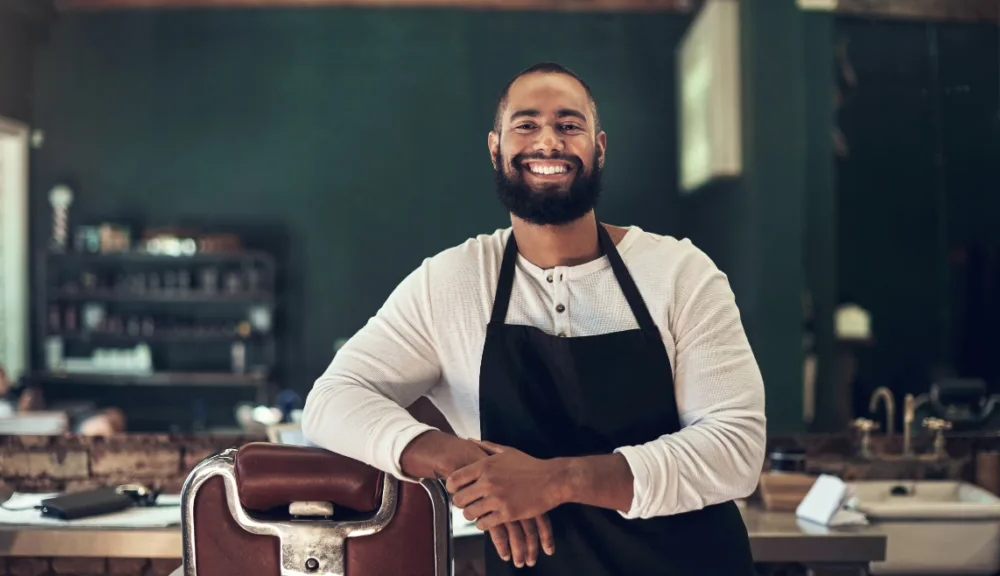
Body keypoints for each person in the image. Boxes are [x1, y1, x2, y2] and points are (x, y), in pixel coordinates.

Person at [304, 62, 766, 575]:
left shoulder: (679, 272)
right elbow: (331, 400)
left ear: (599, 148)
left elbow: (736, 449)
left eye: (569, 125)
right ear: (495, 148)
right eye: (526, 124)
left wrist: (557, 480)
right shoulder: (453, 282)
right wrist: (457, 460)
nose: (548, 142)